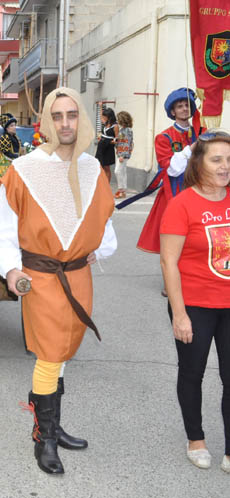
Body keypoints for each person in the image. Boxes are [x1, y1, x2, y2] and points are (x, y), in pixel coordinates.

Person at [0, 87, 117, 475]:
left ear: (82, 119)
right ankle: (45, 438)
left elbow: (103, 221)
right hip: (42, 277)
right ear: (45, 121)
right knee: (49, 353)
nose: (65, 123)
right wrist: (10, 268)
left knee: (63, 351)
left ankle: (53, 424)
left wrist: (98, 246)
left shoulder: (92, 168)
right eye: (56, 116)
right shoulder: (24, 170)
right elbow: (2, 228)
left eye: (71, 115)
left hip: (78, 275)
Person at [159, 129, 230, 473]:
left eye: (229, 160)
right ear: (198, 162)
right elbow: (168, 262)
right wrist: (180, 314)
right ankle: (196, 439)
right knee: (193, 373)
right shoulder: (181, 204)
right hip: (195, 305)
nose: (224, 166)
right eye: (217, 159)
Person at [134, 88, 204, 254]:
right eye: (180, 106)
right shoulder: (164, 137)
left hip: (199, 191)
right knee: (175, 238)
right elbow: (170, 169)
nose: (184, 109)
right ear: (173, 111)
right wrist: (190, 150)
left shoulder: (201, 133)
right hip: (175, 193)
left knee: (198, 236)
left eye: (187, 105)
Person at [95, 107, 118, 184]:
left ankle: (107, 185)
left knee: (106, 167)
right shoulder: (105, 123)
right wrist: (100, 106)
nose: (103, 118)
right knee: (100, 166)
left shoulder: (115, 126)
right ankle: (102, 183)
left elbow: (117, 139)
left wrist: (110, 142)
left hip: (108, 148)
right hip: (101, 147)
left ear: (110, 116)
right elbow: (101, 116)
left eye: (105, 116)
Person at [114, 111, 134, 199]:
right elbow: (122, 141)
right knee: (122, 171)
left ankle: (121, 190)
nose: (117, 121)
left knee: (117, 171)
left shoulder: (127, 130)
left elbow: (127, 143)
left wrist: (122, 154)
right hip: (121, 153)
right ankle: (123, 191)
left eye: (119, 119)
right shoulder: (123, 130)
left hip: (123, 154)